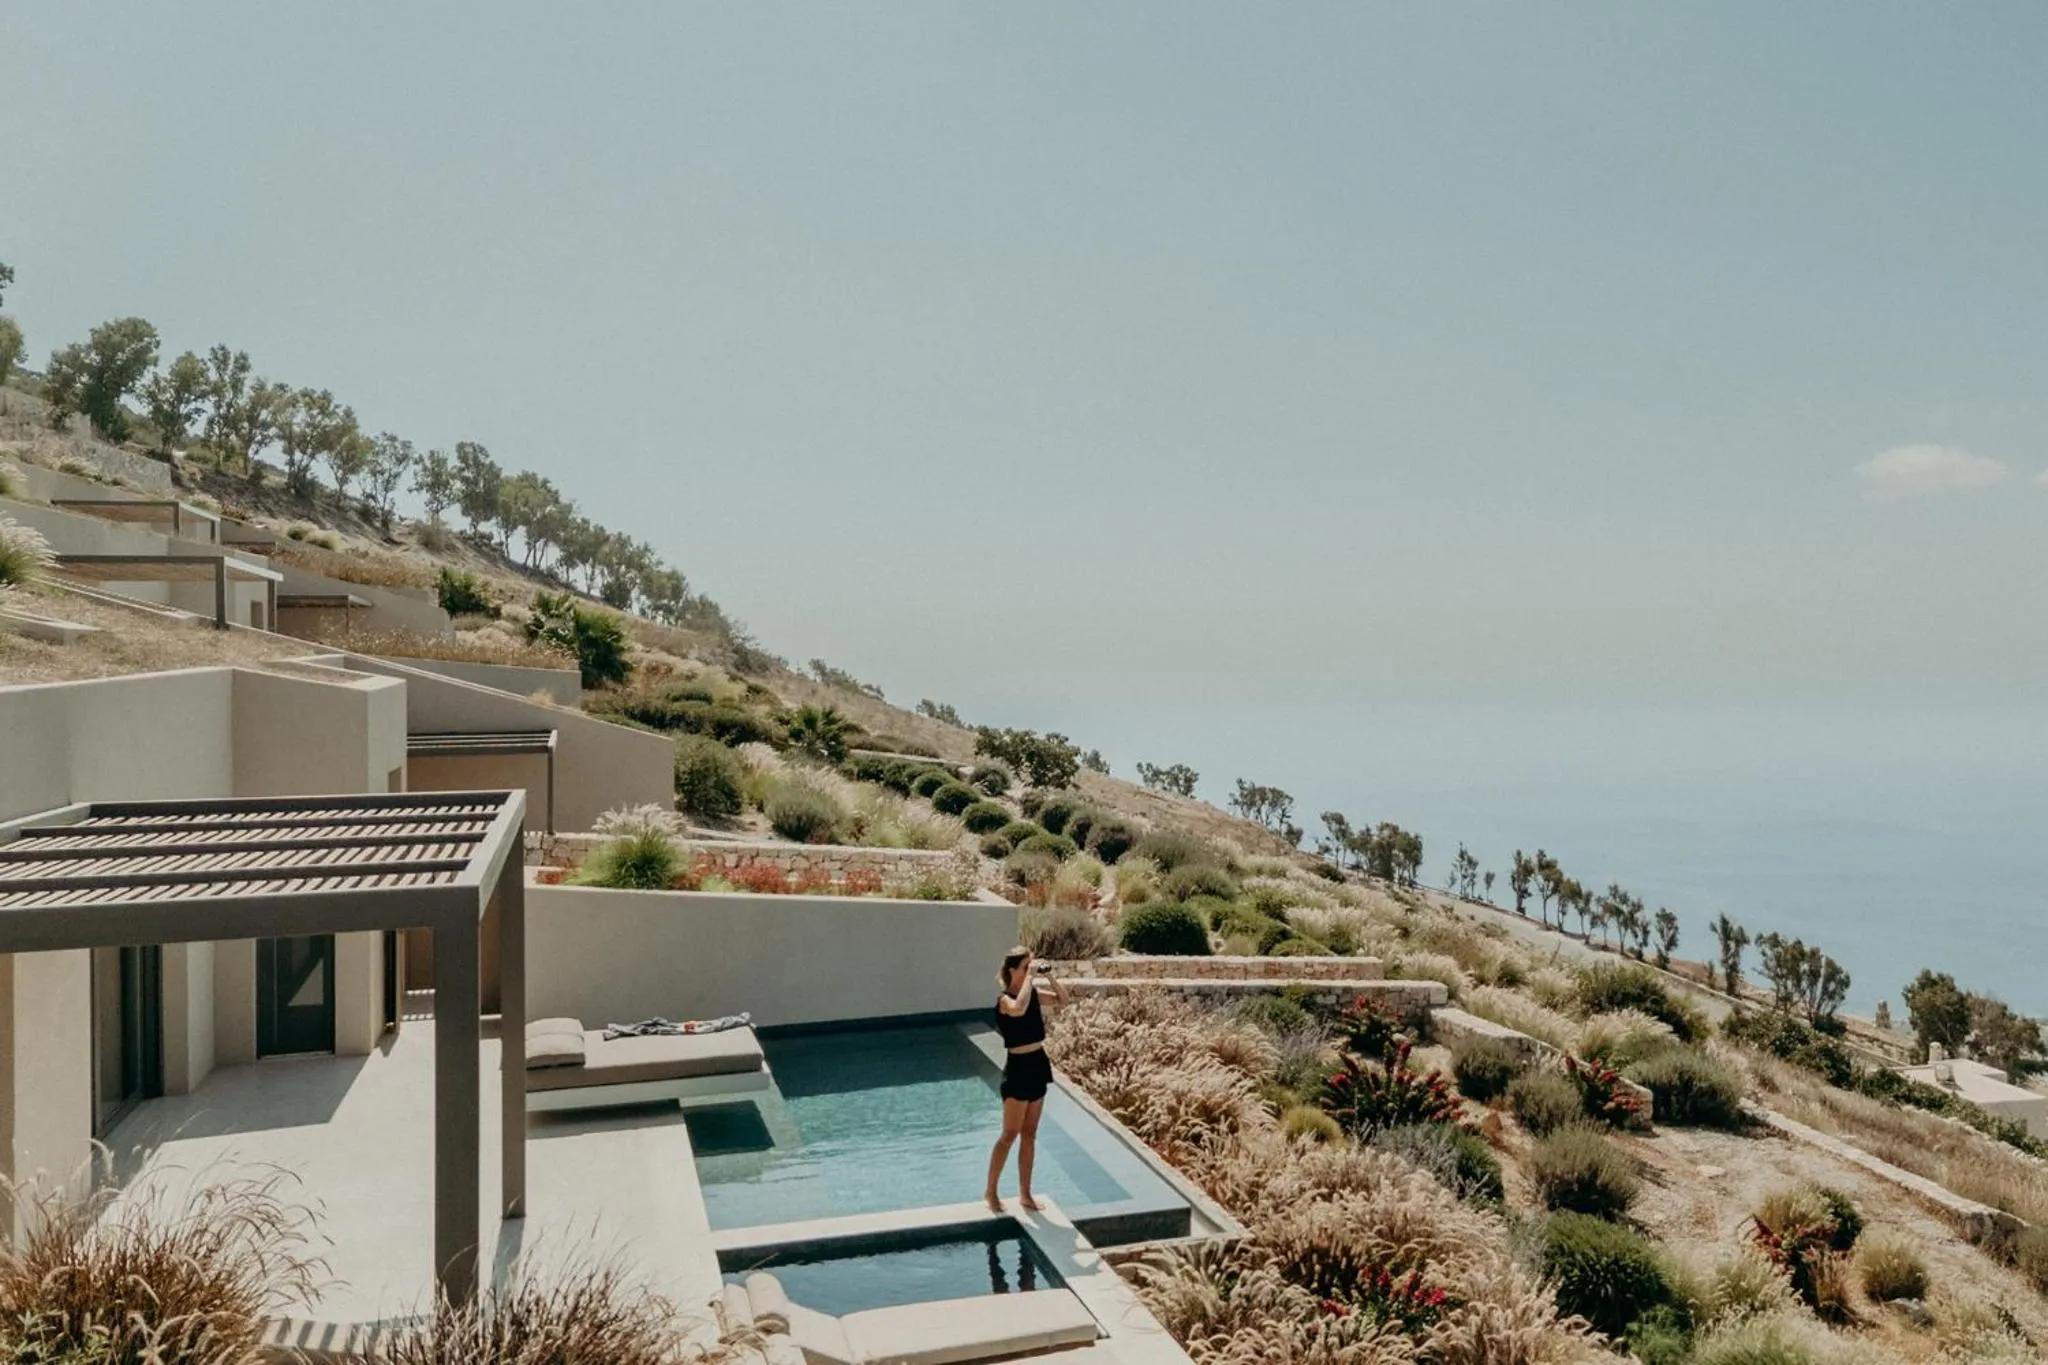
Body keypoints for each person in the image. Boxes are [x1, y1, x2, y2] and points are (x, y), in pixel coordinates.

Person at [984, 944, 1065, 1211]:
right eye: (1024, 966)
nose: (1029, 970)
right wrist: (1030, 978)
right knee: (1009, 1134)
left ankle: (1025, 1194)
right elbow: (1018, 1009)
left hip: (1037, 1064)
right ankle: (991, 1191)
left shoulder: (1033, 994)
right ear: (1012, 970)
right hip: (1018, 1068)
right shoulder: (1005, 1000)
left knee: (1030, 1134)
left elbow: (1062, 999)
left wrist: (1048, 974)